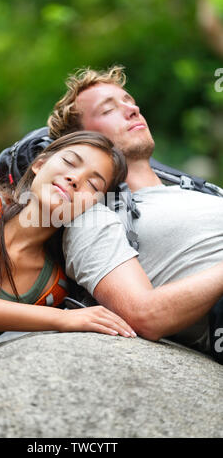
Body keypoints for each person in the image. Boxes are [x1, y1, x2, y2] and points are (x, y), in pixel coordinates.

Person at [47, 66, 223, 360]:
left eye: (129, 101)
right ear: (84, 139)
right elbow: (145, 314)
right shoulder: (93, 218)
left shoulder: (201, 190)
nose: (133, 109)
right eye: (109, 109)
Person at [0, 131, 135, 370]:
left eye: (93, 184)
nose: (75, 178)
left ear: (96, 206)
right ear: (39, 163)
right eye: (69, 162)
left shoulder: (50, 289)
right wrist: (64, 319)